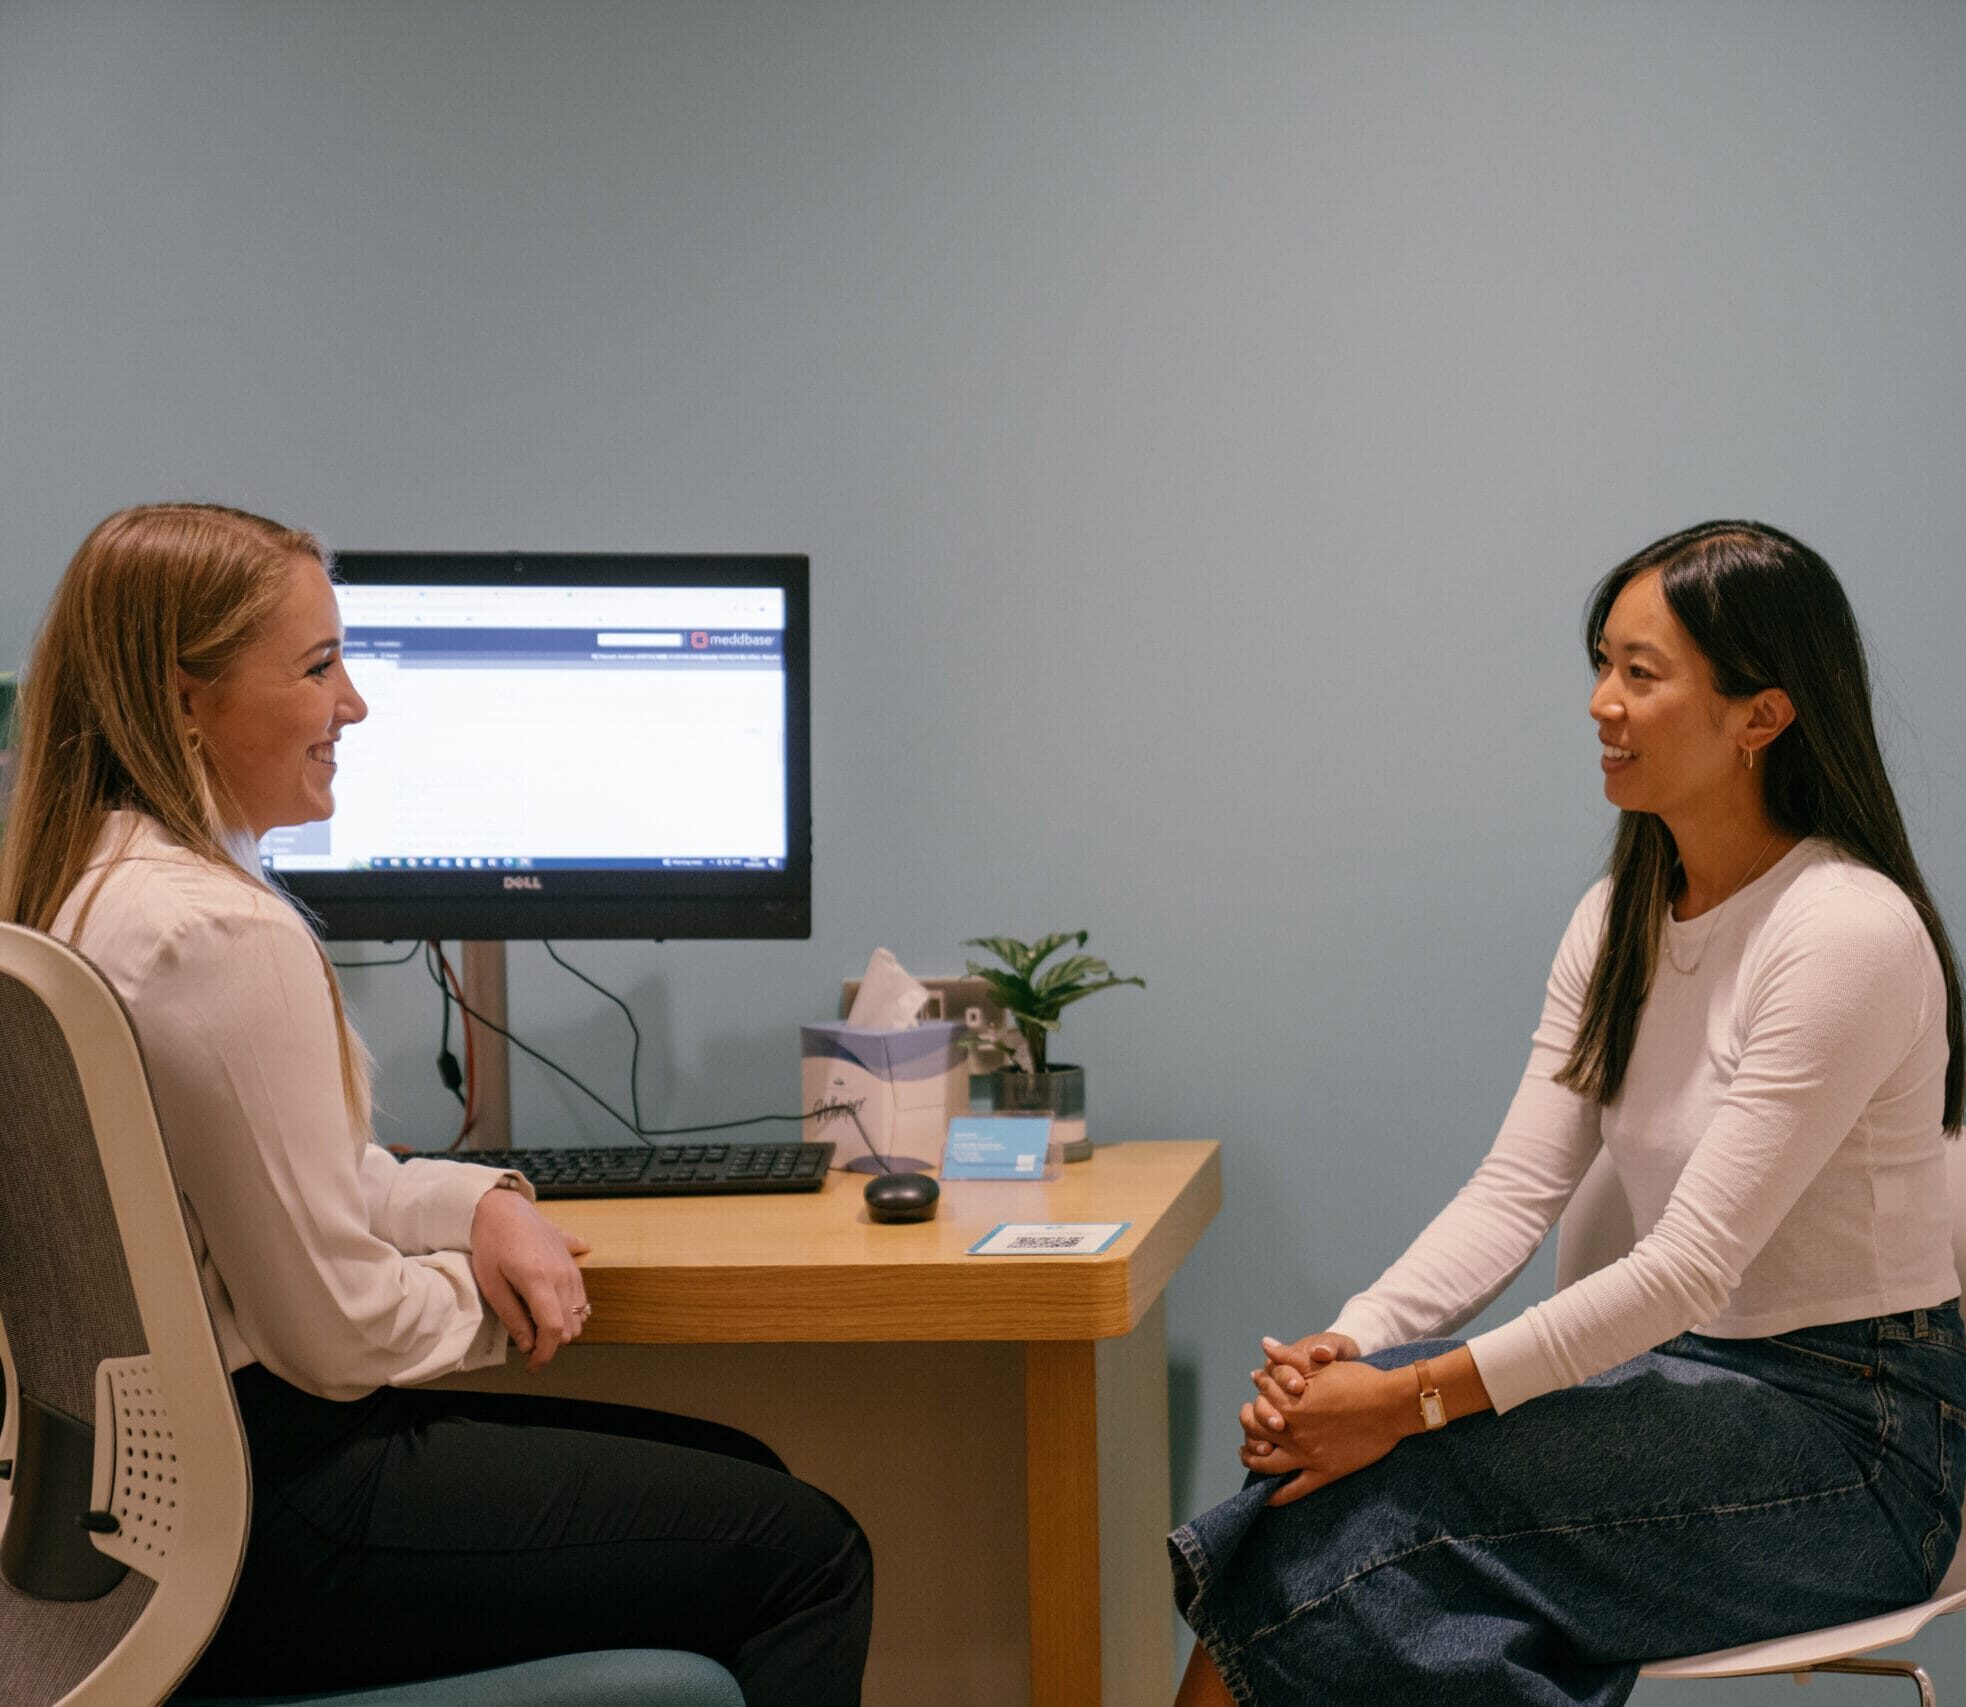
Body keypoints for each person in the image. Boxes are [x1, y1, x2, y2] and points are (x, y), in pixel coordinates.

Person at [0, 503, 873, 1701]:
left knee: (746, 1478)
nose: (355, 704)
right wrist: (498, 1297)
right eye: (319, 667)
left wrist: (477, 1204)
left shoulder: (85, 891)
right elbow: (335, 1337)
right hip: (276, 1512)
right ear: (186, 700)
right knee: (810, 1553)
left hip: (131, 1515)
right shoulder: (218, 933)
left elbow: (266, 1168)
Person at [1169, 521, 1966, 1707]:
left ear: (1760, 715)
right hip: (1698, 1384)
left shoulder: (1843, 931)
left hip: (1862, 1445)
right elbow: (1512, 1193)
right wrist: (1352, 1348)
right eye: (1602, 665)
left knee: (1368, 1510)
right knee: (1326, 1499)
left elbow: (1686, 1268)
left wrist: (1400, 1400)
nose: (1601, 703)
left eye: (1641, 674)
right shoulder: (1619, 915)